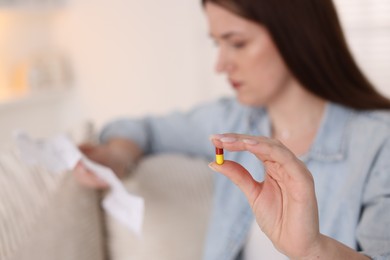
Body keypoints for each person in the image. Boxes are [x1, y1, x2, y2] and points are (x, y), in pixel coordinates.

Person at [74, 0, 390, 259]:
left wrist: (313, 251)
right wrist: (118, 155)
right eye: (217, 43)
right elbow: (143, 129)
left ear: (296, 36)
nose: (221, 64)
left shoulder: (379, 143)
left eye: (236, 43)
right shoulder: (232, 123)